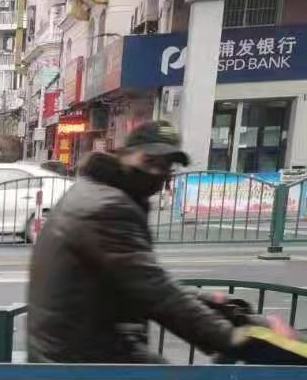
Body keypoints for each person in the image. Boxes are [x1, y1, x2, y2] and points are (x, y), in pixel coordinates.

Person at [27, 121, 244, 363]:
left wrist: (210, 304)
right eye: (149, 161)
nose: (157, 173)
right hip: (80, 364)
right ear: (125, 155)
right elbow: (155, 291)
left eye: (166, 166)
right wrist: (232, 339)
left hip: (74, 353)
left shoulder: (98, 191)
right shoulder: (107, 208)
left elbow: (140, 280)